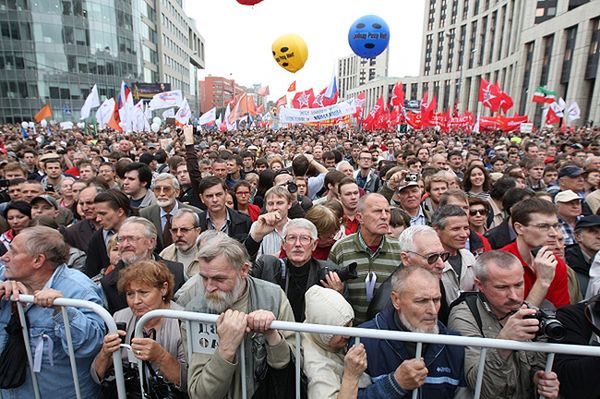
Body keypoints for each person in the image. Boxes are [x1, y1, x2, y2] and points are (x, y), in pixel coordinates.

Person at [177, 234, 297, 399]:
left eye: (219, 279)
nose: (209, 287)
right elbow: (201, 394)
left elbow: (289, 367)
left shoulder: (272, 297)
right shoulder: (196, 312)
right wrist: (226, 348)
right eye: (204, 278)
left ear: (244, 270)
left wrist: (271, 333)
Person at [0, 226, 105, 398]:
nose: (4, 257)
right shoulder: (5, 275)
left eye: (13, 251)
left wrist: (61, 310)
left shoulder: (78, 290)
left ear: (37, 260)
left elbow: (90, 345)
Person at [448, 250, 560, 399]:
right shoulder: (465, 315)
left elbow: (541, 367)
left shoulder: (531, 314)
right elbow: (480, 387)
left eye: (519, 285)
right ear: (479, 285)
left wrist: (541, 380)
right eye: (502, 287)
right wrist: (503, 343)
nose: (514, 296)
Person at [358, 266, 466, 398]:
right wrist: (395, 384)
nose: (433, 310)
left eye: (437, 300)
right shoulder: (365, 340)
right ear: (396, 300)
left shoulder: (454, 345)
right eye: (422, 301)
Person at [91, 259, 187, 394]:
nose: (136, 301)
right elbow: (96, 376)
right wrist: (105, 353)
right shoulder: (119, 318)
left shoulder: (183, 321)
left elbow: (188, 383)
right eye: (130, 294)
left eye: (143, 292)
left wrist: (160, 356)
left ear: (163, 289)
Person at [329, 193, 401, 324]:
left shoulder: (400, 250)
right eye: (377, 211)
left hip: (386, 333)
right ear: (360, 217)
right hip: (349, 332)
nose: (384, 217)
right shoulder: (341, 248)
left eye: (387, 212)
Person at [252, 218, 342, 321]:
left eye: (304, 238)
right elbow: (241, 271)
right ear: (283, 244)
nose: (298, 244)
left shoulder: (329, 273)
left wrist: (337, 297)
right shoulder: (267, 266)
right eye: (292, 238)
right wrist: (255, 237)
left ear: (314, 244)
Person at [101, 216, 185, 314]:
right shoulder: (108, 283)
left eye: (132, 239)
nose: (124, 245)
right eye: (121, 239)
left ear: (151, 242)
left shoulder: (176, 271)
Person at [500, 197, 571, 308]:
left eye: (555, 226)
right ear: (519, 228)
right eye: (543, 226)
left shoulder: (555, 263)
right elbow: (513, 320)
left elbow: (562, 313)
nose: (554, 233)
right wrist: (542, 282)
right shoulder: (500, 264)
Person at [139, 172, 203, 253]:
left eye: (166, 189)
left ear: (177, 192)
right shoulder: (144, 214)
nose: (161, 194)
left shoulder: (196, 213)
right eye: (157, 189)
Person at [432, 205, 477, 304]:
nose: (464, 234)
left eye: (466, 228)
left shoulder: (469, 257)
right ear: (437, 231)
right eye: (456, 229)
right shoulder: (430, 262)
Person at [85, 189, 134, 279]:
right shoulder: (97, 238)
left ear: (120, 212)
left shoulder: (146, 230)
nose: (98, 219)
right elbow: (91, 273)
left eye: (103, 214)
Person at [159, 208, 202, 279]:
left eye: (184, 230)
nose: (178, 234)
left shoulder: (208, 254)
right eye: (174, 230)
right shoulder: (164, 255)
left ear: (197, 231)